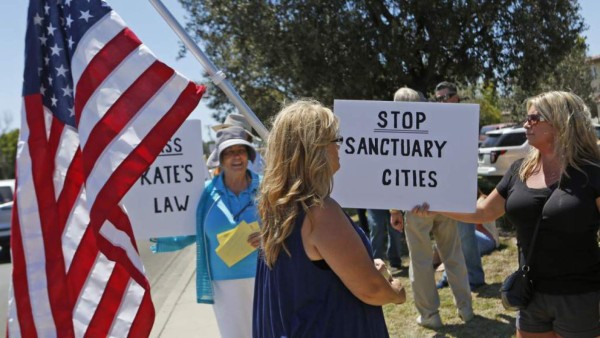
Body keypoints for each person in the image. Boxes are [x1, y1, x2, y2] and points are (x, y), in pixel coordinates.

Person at [412, 91, 600, 337]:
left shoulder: (592, 173)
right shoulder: (519, 170)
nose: (525, 123)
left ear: (560, 122)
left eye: (534, 118)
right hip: (530, 293)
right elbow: (483, 212)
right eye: (526, 117)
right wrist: (435, 204)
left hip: (581, 296)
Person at [253, 99, 405, 337]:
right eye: (335, 140)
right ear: (315, 149)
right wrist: (396, 291)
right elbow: (372, 290)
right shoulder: (319, 212)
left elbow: (308, 278)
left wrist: (363, 267)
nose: (340, 147)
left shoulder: (277, 209)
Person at [153, 126, 261, 338]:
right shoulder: (203, 193)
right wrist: (156, 230)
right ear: (220, 159)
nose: (236, 156)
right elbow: (189, 231)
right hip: (224, 283)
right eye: (229, 152)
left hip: (267, 275)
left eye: (241, 150)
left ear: (249, 155)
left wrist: (272, 237)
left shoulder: (269, 187)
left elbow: (289, 225)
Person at [390, 86, 473, 329]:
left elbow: (394, 173)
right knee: (453, 253)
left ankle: (429, 314)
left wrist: (394, 210)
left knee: (421, 260)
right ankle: (466, 308)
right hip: (444, 200)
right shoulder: (438, 125)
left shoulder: (395, 132)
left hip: (414, 204)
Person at [433, 81, 486, 290]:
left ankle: (474, 276)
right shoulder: (435, 121)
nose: (442, 102)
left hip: (462, 184)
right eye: (438, 99)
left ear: (456, 97)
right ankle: (449, 274)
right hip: (442, 184)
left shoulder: (467, 118)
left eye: (445, 97)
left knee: (466, 233)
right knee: (447, 235)